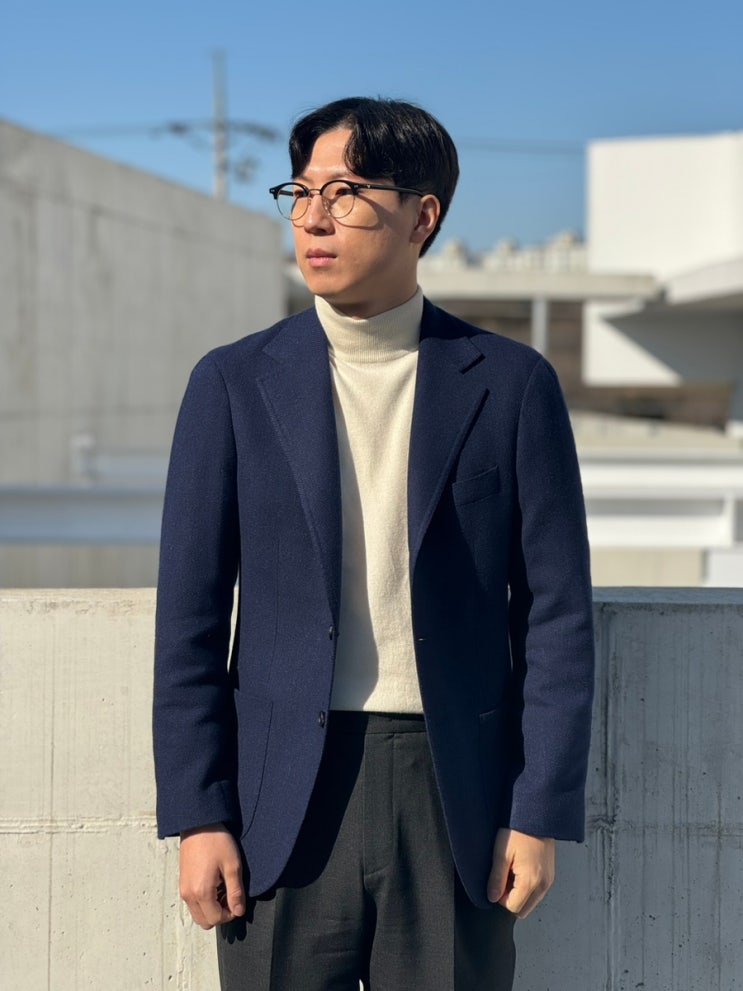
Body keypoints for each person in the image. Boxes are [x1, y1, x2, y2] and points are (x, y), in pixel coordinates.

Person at [153, 96, 595, 991]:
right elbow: (188, 619)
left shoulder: (511, 384)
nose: (313, 218)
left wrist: (538, 810)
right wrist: (198, 813)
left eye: (346, 193)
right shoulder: (232, 383)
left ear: (421, 216)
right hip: (280, 793)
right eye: (300, 192)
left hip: (454, 789)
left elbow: (556, 615)